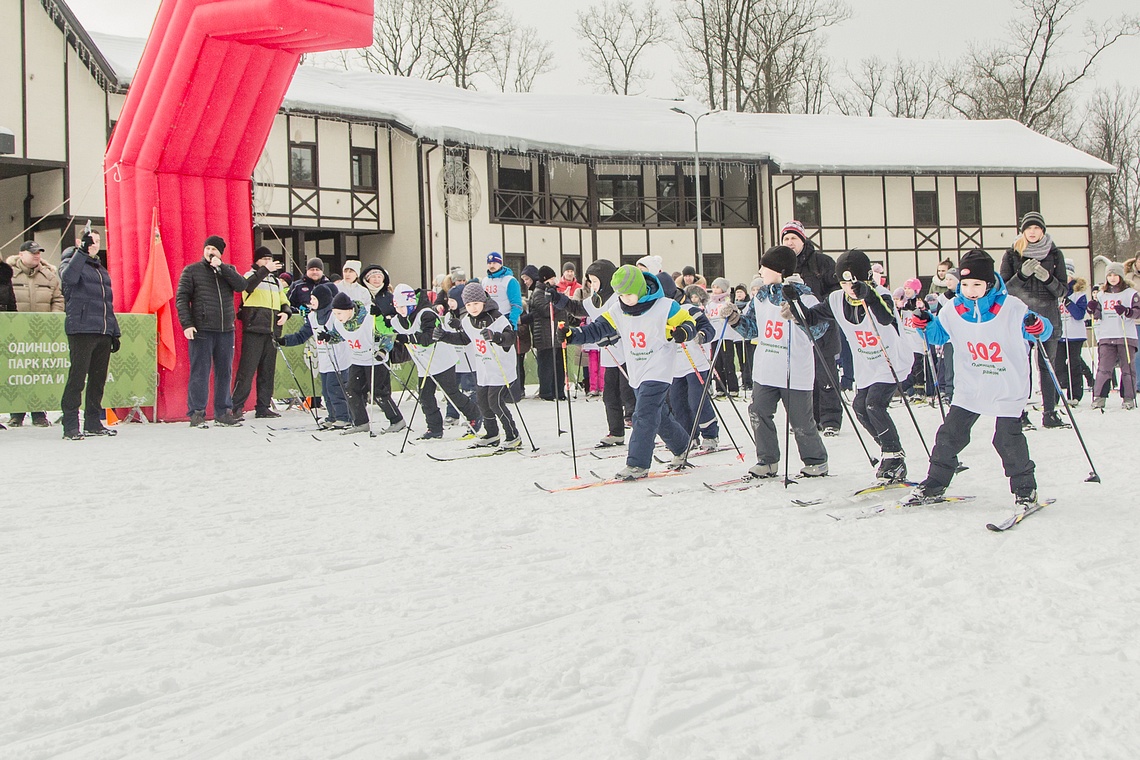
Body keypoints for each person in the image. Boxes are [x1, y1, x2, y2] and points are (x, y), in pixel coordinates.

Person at [907, 249, 1050, 510]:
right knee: (950, 435)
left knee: (1006, 439)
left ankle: (1025, 490)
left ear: (989, 283)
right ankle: (934, 483)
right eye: (965, 284)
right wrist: (926, 323)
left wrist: (1035, 326)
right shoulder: (953, 308)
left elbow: (1042, 330)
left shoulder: (1011, 307)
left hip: (1006, 385)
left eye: (977, 284)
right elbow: (940, 335)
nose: (970, 290)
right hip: (972, 385)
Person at [564, 265, 698, 480]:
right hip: (637, 369)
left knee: (643, 415)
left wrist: (684, 331)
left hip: (659, 369)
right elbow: (597, 329)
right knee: (658, 414)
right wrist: (572, 335)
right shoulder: (618, 309)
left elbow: (688, 321)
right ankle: (683, 446)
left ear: (640, 288)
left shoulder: (665, 306)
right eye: (621, 295)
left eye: (628, 293)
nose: (625, 298)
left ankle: (637, 463)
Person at [799, 249, 911, 483]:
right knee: (860, 407)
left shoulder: (880, 294)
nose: (850, 287)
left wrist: (869, 295)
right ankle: (890, 450)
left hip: (891, 362)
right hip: (867, 366)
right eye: (845, 282)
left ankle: (894, 455)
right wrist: (793, 301)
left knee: (874, 405)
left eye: (855, 282)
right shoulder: (837, 299)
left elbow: (886, 316)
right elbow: (810, 319)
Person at [726, 245, 828, 479]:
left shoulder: (804, 295)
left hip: (794, 369)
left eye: (765, 266)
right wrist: (734, 320)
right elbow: (752, 329)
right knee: (758, 411)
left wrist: (798, 317)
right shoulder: (760, 297)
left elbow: (820, 329)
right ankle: (767, 460)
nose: (760, 270)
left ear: (779, 270)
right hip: (766, 368)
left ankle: (816, 460)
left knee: (801, 420)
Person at [554, 259, 637, 447]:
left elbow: (625, 322)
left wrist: (612, 336)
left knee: (628, 393)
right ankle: (616, 432)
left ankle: (641, 430)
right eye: (590, 281)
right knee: (610, 395)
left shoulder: (618, 298)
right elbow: (578, 309)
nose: (592, 285)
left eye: (596, 281)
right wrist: (559, 299)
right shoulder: (596, 299)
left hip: (626, 354)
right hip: (609, 356)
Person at [1000, 211, 1067, 429]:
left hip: (1048, 315)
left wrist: (1047, 278)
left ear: (1043, 231)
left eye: (1036, 228)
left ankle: (1050, 412)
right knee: (1021, 366)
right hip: (1020, 316)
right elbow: (1004, 291)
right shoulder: (1012, 254)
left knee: (1047, 366)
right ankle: (1019, 412)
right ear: (1023, 231)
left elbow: (1062, 291)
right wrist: (1022, 276)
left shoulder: (1055, 255)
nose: (1032, 232)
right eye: (1029, 228)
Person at [175, 235, 250, 428]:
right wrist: (187, 324)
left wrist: (222, 268)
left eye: (214, 249)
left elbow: (242, 285)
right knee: (200, 371)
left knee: (224, 371)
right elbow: (182, 298)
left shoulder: (228, 271)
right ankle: (197, 413)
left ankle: (223, 412)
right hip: (202, 329)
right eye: (207, 248)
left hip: (226, 330)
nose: (210, 252)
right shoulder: (192, 271)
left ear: (220, 253)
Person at [434, 282, 521, 448]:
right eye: (468, 305)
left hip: (502, 369)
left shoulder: (496, 318)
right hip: (483, 370)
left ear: (484, 301)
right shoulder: (467, 320)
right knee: (482, 402)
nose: (473, 308)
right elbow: (465, 340)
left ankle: (513, 435)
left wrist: (496, 337)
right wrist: (444, 336)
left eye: (476, 304)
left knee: (495, 402)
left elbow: (510, 338)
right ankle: (492, 434)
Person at [390, 284, 481, 439]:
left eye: (404, 307)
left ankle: (475, 415)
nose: (401, 311)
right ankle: (434, 428)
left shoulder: (426, 314)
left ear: (412, 304)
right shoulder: (398, 320)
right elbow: (389, 329)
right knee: (425, 396)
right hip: (423, 364)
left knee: (451, 393)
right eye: (398, 308)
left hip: (442, 360)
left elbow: (429, 338)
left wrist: (410, 338)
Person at [781, 220, 843, 436]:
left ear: (803, 240)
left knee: (825, 376)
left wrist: (817, 305)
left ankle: (830, 419)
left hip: (822, 327)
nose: (789, 243)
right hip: (795, 331)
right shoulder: (781, 265)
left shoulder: (822, 262)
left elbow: (836, 293)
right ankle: (809, 418)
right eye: (786, 239)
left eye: (793, 238)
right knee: (802, 376)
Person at [58, 229, 120, 439]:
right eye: (91, 241)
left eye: (97, 241)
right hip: (81, 329)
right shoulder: (70, 261)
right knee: (77, 378)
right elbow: (69, 279)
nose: (95, 244)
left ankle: (93, 422)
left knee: (98, 380)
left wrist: (114, 330)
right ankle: (70, 425)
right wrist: (81, 253)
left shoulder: (100, 269)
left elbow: (106, 303)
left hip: (102, 329)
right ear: (80, 242)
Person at [277, 282, 352, 430]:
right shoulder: (313, 317)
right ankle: (333, 416)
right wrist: (284, 341)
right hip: (324, 360)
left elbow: (345, 334)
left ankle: (344, 417)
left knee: (335, 389)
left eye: (314, 299)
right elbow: (302, 335)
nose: (311, 302)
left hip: (340, 359)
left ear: (323, 299)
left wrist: (330, 336)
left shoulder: (334, 315)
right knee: (325, 390)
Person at [7, 240, 64, 427]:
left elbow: (58, 299)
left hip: (42, 333)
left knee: (38, 372)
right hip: (15, 332)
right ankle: (16, 412)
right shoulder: (9, 275)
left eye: (39, 252)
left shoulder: (49, 276)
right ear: (21, 254)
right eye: (33, 252)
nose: (37, 255)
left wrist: (53, 320)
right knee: (17, 371)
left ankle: (39, 412)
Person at [231, 246, 289, 420]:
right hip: (254, 329)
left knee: (267, 372)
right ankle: (236, 407)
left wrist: (286, 312)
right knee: (246, 371)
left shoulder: (276, 281)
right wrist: (264, 270)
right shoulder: (250, 275)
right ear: (256, 261)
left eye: (270, 259)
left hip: (271, 331)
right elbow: (247, 288)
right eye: (264, 259)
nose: (268, 262)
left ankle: (263, 406)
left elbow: (283, 300)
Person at [672, 285, 720, 450]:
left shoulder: (690, 310)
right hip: (675, 365)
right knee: (677, 402)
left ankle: (710, 435)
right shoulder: (660, 313)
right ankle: (688, 436)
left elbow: (709, 329)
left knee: (696, 400)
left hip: (696, 363)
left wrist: (701, 336)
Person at [359, 264, 405, 433]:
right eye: (374, 276)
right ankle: (359, 420)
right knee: (356, 387)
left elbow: (396, 320)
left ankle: (395, 419)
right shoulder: (361, 294)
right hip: (362, 343)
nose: (377, 279)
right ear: (366, 279)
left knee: (379, 387)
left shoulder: (388, 296)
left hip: (382, 342)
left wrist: (384, 317)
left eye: (380, 276)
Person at [1087, 261, 1138, 410]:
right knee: (1104, 368)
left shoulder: (1131, 293)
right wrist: (1092, 309)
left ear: (1121, 276)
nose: (1113, 278)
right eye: (1110, 275)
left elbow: (1137, 310)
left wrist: (1127, 311)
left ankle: (1128, 397)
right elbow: (1098, 314)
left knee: (1127, 368)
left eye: (1115, 275)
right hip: (1107, 335)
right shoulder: (1102, 294)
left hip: (1125, 335)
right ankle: (1100, 397)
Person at [522, 265, 568, 401]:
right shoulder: (539, 293)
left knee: (559, 364)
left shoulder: (553, 292)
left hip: (556, 334)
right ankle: (546, 392)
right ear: (545, 279)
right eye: (552, 279)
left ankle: (559, 391)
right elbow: (545, 310)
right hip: (544, 335)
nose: (555, 281)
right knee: (546, 365)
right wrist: (561, 305)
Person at [1057, 262, 1090, 406]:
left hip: (1075, 334)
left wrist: (1068, 303)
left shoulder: (1079, 294)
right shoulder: (1055, 291)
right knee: (1057, 365)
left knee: (1074, 364)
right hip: (1059, 334)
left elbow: (1079, 315)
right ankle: (1054, 395)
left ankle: (1075, 394)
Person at [482, 252, 523, 328]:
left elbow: (516, 304)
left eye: (494, 263)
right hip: (489, 321)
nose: (492, 266)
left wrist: (512, 322)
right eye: (489, 263)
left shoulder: (510, 280)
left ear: (500, 263)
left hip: (505, 318)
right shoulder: (485, 281)